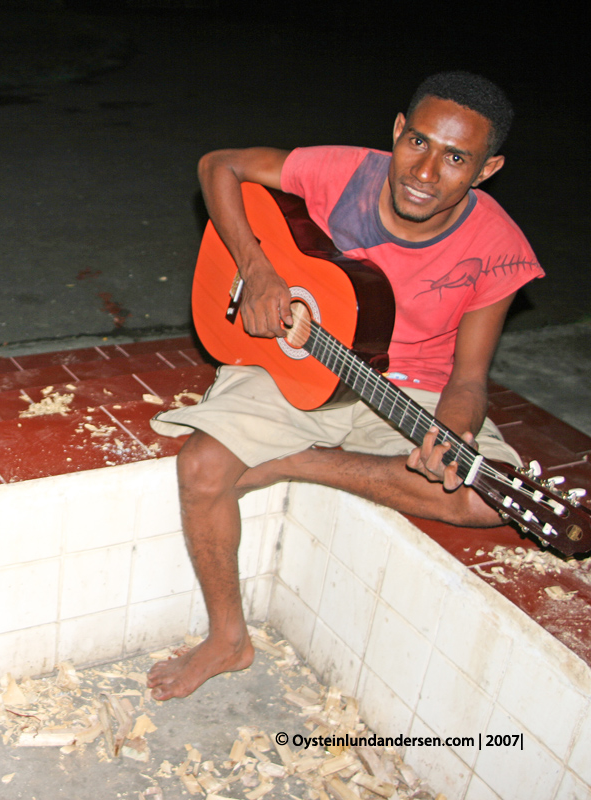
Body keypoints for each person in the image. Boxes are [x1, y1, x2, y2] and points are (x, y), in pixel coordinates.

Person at [147, 71, 542, 701]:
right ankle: (228, 638)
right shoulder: (345, 171)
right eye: (418, 142)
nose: (424, 170)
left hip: (410, 389)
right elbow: (218, 165)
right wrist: (259, 271)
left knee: (489, 496)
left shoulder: (496, 246)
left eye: (456, 157)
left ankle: (299, 463)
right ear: (397, 131)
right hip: (299, 363)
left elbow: (469, 378)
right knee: (201, 468)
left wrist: (455, 432)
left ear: (487, 168)